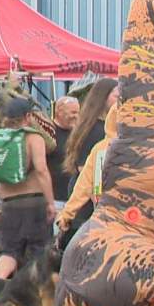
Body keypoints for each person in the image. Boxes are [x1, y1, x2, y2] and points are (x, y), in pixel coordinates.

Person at [0, 98, 57, 283]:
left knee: (9, 250)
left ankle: (0, 280)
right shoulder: (33, 137)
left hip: (9, 202)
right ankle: (35, 290)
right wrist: (51, 202)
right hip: (34, 201)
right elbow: (41, 170)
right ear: (27, 116)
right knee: (39, 249)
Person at [59, 78, 117, 249]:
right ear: (103, 97)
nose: (121, 102)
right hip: (89, 201)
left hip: (86, 197)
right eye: (116, 96)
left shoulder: (92, 126)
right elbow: (89, 172)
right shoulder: (96, 130)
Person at [47, 96, 80, 203]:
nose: (76, 116)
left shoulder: (79, 134)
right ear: (59, 112)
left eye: (78, 113)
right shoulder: (48, 132)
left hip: (75, 197)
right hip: (55, 198)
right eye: (73, 112)